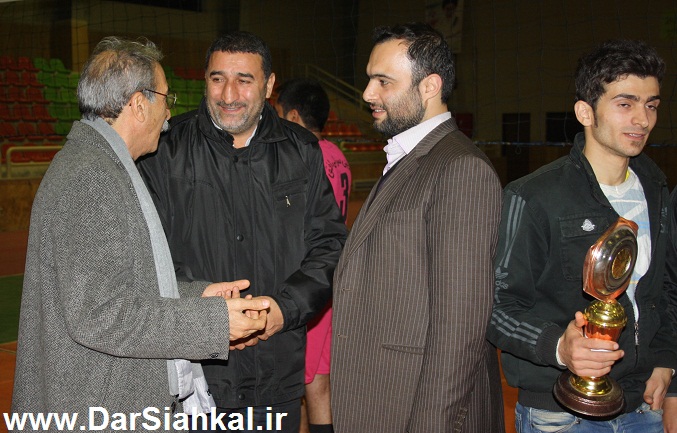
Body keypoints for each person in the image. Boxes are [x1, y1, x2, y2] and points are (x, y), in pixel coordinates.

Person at [10, 36, 271, 426]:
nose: (168, 115)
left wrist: (198, 295)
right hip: (94, 407)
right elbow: (100, 315)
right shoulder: (90, 177)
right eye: (165, 99)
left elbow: (126, 285)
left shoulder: (101, 165)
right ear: (138, 104)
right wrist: (213, 323)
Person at [137, 31, 347, 433]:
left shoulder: (302, 151)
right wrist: (211, 313)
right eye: (217, 79)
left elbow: (330, 247)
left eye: (244, 80)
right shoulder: (164, 150)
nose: (228, 94)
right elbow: (146, 256)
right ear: (204, 80)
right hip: (193, 375)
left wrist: (283, 309)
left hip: (275, 375)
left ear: (269, 85)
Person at [486, 39, 677, 433]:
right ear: (585, 112)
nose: (642, 119)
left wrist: (665, 360)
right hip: (560, 413)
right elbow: (496, 307)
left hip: (643, 405)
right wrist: (559, 346)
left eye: (651, 105)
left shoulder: (656, 187)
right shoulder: (533, 196)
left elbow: (664, 289)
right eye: (625, 104)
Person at [330, 23, 504, 433]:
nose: (367, 93)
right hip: (385, 396)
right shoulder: (410, 156)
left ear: (429, 86)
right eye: (369, 79)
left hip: (418, 408)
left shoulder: (461, 168)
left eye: (383, 81)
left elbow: (460, 330)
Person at [274, 78, 352, 433]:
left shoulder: (302, 155)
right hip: (331, 282)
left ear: (292, 116)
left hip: (307, 282)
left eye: (278, 114)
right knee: (318, 383)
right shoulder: (338, 155)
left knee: (296, 384)